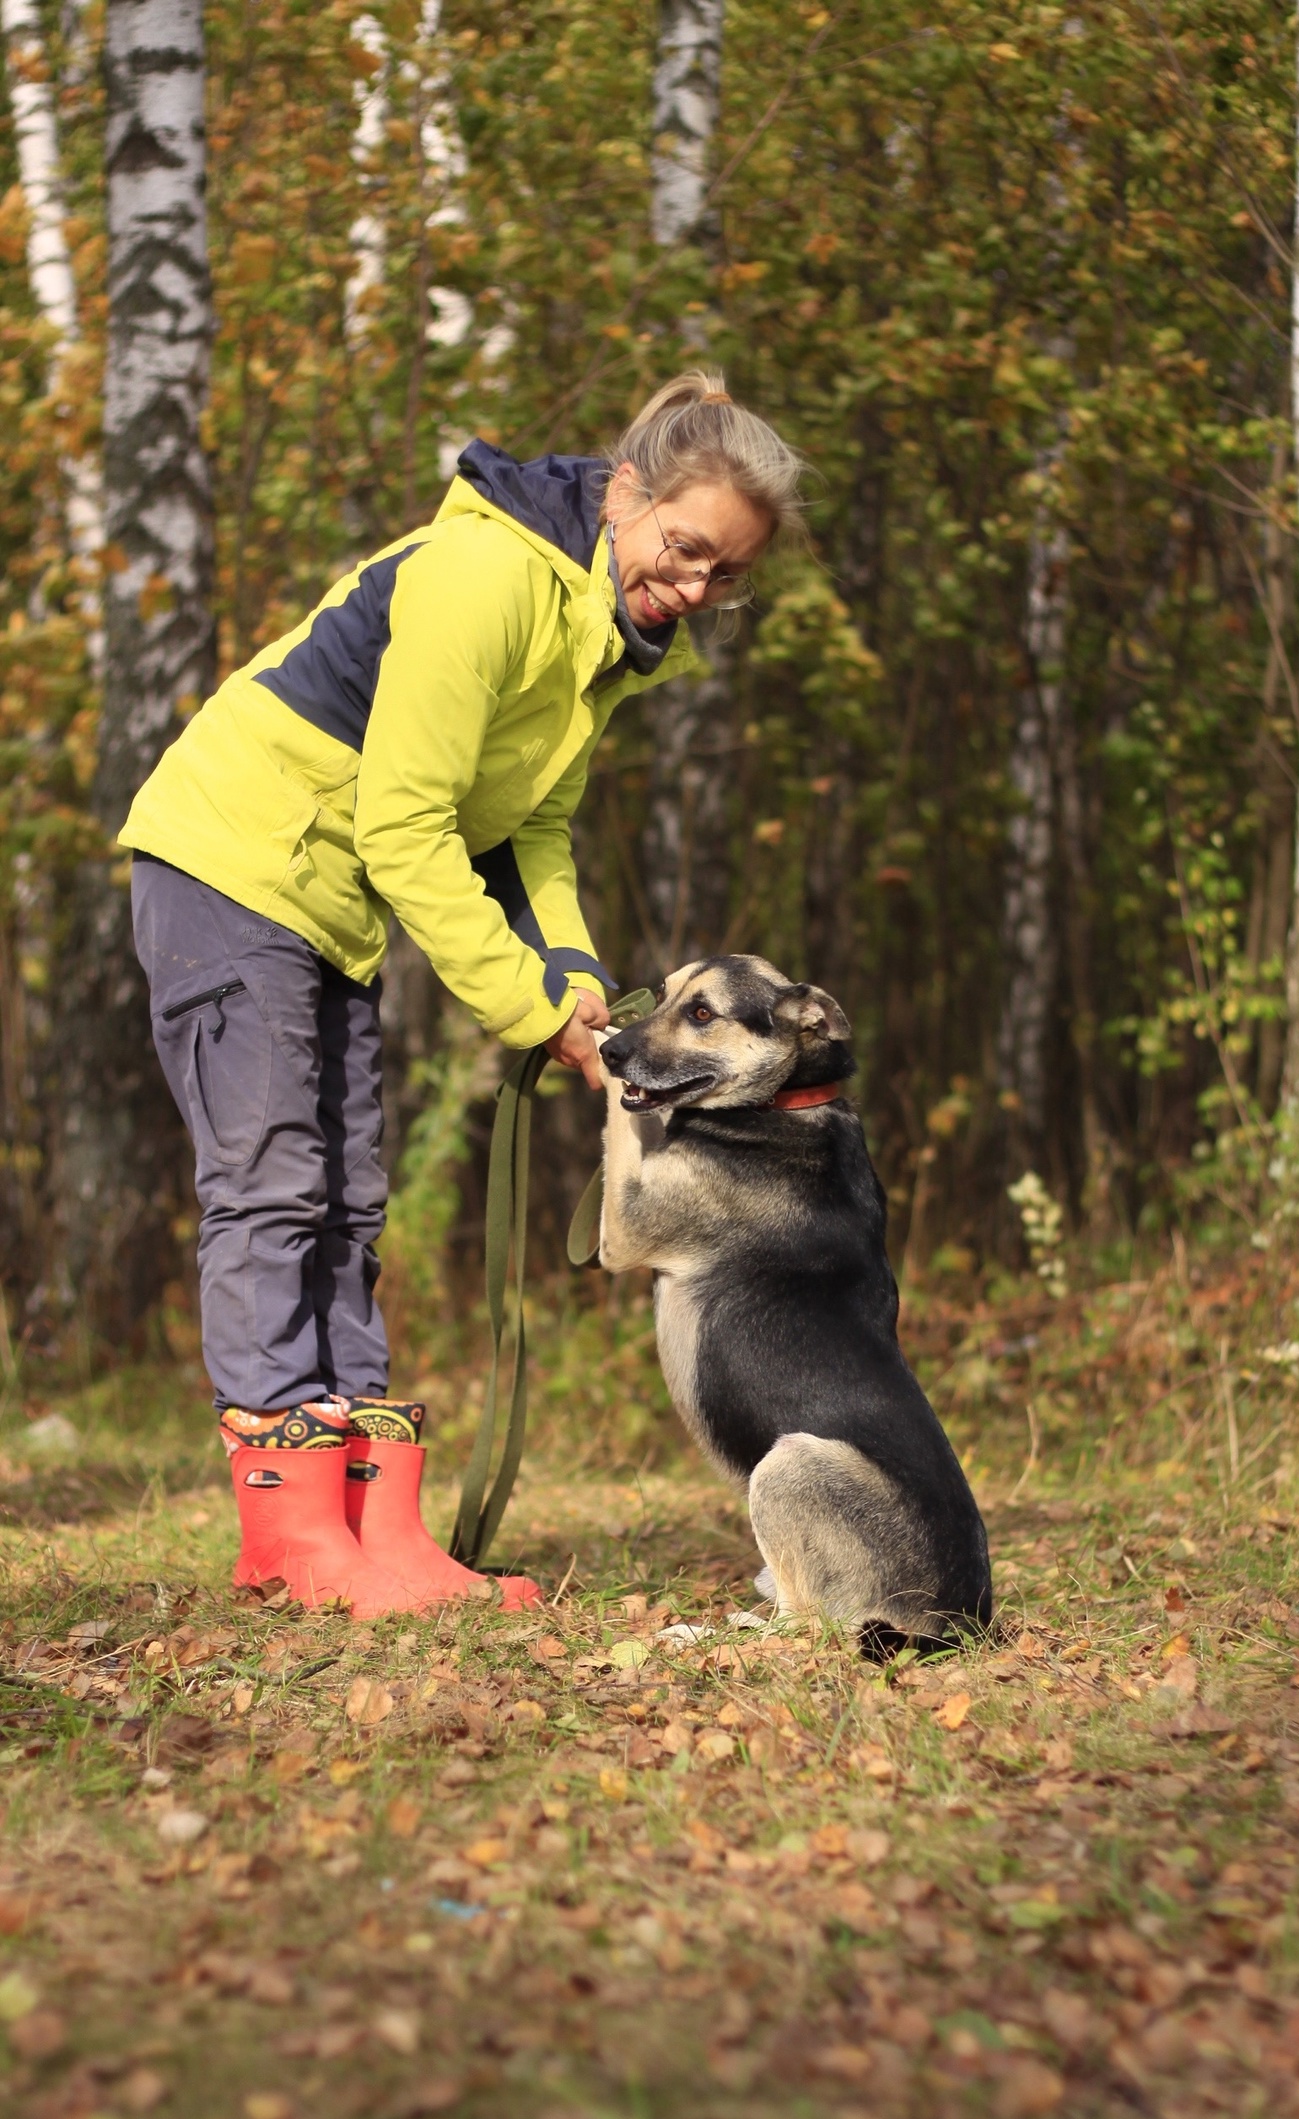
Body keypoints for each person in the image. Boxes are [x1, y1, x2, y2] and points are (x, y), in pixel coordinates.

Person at [119, 369, 806, 1619]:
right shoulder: (486, 578)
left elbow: (527, 828)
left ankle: (373, 1530)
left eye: (728, 574)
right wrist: (525, 1009)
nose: (697, 588)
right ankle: (291, 1539)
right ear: (626, 492)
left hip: (323, 900)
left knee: (347, 1198)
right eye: (686, 548)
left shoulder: (597, 635)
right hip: (229, 866)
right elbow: (405, 826)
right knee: (274, 1185)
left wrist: (576, 982)